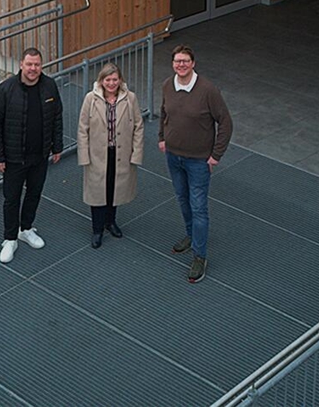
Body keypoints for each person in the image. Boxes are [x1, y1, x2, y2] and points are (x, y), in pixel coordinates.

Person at [159, 44, 232, 284]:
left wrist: (215, 155)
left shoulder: (208, 90)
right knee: (183, 199)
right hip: (174, 156)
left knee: (198, 207)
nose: (181, 65)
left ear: (193, 63)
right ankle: (191, 235)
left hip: (198, 160)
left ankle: (200, 255)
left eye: (185, 61)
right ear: (173, 64)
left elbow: (225, 122)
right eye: (177, 61)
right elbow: (164, 113)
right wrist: (162, 137)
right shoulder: (167, 85)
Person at [0, 47, 63, 264]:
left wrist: (57, 146)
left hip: (39, 155)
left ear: (41, 66)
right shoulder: (6, 90)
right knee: (11, 199)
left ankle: (26, 228)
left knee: (34, 193)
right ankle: (10, 238)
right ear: (21, 64)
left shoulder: (49, 86)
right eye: (29, 64)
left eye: (37, 64)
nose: (33, 68)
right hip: (13, 158)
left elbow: (57, 117)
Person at [77, 62, 144, 248]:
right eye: (108, 80)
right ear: (101, 81)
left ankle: (111, 222)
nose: (111, 83)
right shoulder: (90, 99)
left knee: (115, 188)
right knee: (98, 191)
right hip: (98, 155)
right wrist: (84, 156)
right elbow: (82, 129)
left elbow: (138, 127)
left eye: (115, 79)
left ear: (120, 80)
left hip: (121, 153)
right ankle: (97, 229)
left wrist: (136, 154)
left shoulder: (130, 98)